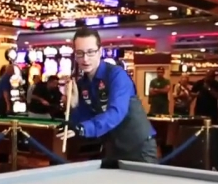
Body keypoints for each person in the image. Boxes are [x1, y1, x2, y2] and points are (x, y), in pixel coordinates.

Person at [56, 28, 158, 164]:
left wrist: (82, 128)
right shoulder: (82, 84)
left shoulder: (117, 75)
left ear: (100, 51)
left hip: (138, 147)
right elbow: (87, 119)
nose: (85, 59)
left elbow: (116, 112)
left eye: (90, 52)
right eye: (80, 53)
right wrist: (74, 105)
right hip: (112, 147)